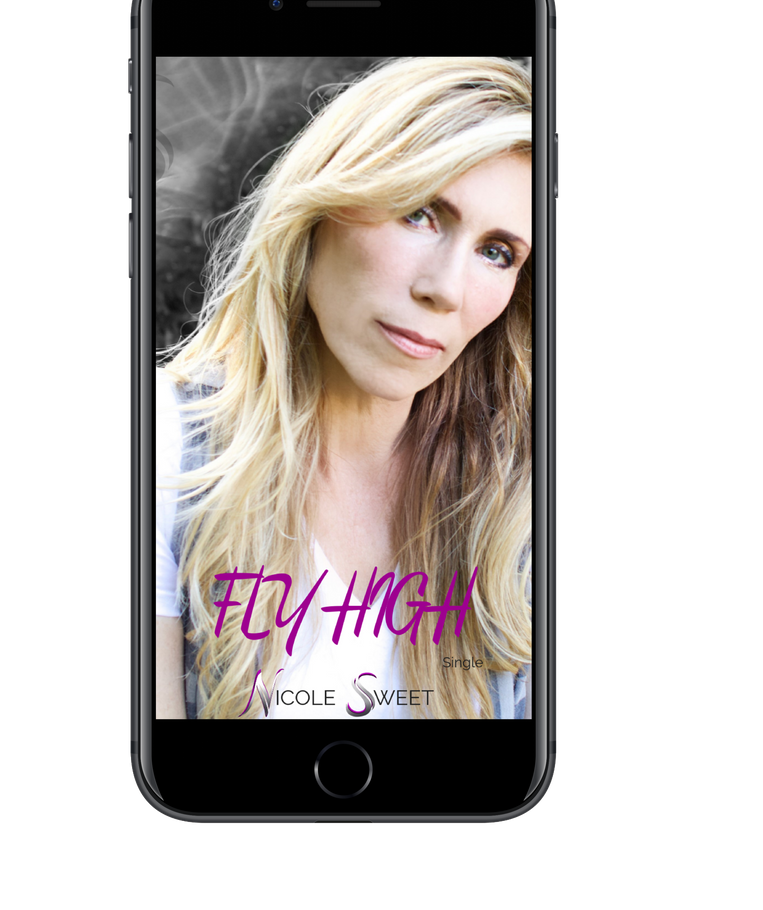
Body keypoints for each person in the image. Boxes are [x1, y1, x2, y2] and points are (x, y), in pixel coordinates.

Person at [156, 57, 533, 720]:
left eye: (496, 252)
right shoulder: (164, 447)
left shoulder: (519, 513)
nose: (445, 289)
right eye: (419, 213)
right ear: (321, 208)